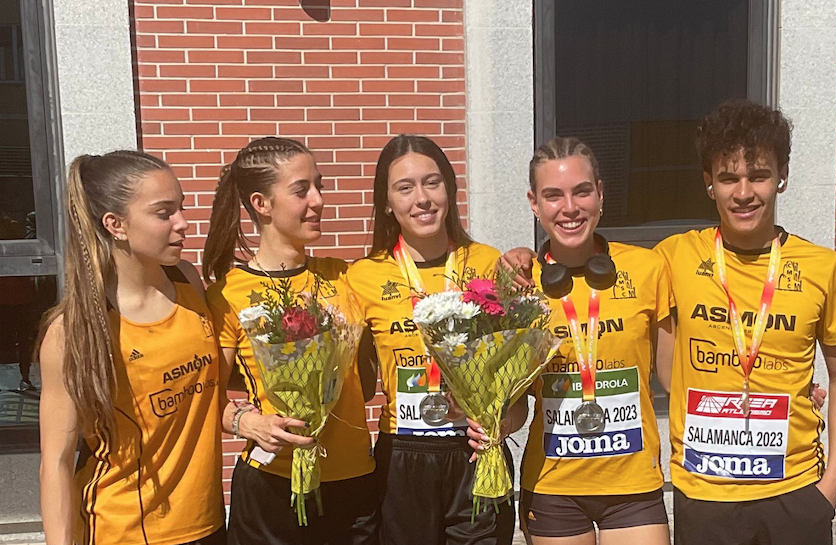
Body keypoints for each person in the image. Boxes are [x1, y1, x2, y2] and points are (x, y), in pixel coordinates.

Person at [654, 99, 836, 545]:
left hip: (797, 493)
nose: (743, 192)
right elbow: (593, 271)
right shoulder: (674, 256)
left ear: (781, 177)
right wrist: (529, 260)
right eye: (728, 177)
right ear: (709, 182)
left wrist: (831, 487)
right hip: (706, 493)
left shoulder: (822, 266)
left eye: (759, 176)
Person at [37, 151, 225, 545]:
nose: (183, 223)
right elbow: (55, 462)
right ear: (115, 224)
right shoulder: (75, 329)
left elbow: (204, 396)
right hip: (124, 530)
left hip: (207, 524)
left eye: (181, 209)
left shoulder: (188, 281)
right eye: (164, 213)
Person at [494, 137, 672, 545]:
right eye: (553, 195)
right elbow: (518, 401)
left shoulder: (647, 268)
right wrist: (497, 423)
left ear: (601, 194)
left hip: (633, 483)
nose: (569, 208)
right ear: (534, 203)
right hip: (553, 486)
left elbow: (677, 377)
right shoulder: (517, 285)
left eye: (582, 191)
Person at [203, 137, 377, 545]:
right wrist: (248, 422)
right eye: (301, 190)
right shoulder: (227, 295)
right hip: (271, 486)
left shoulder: (345, 277)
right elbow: (204, 397)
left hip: (354, 483)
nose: (317, 199)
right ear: (261, 203)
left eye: (319, 185)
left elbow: (366, 383)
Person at [346, 135, 515, 545]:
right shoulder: (362, 277)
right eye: (405, 188)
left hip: (475, 450)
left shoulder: (490, 263)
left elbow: (517, 382)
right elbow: (362, 383)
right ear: (386, 202)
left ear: (450, 190)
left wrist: (504, 423)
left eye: (432, 183)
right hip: (402, 456)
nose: (421, 198)